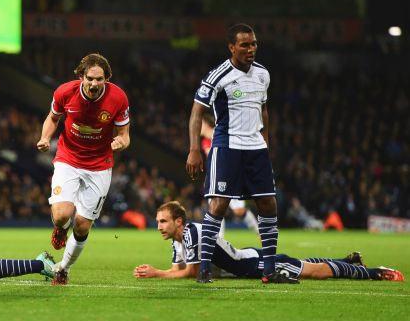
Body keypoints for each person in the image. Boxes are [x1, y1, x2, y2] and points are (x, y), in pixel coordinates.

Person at [186, 23, 286, 283]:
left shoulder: (263, 74)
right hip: (227, 147)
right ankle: (205, 269)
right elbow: (197, 111)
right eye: (244, 45)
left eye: (253, 44)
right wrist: (195, 149)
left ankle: (269, 270)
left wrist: (265, 142)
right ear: (232, 47)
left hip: (256, 149)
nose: (250, 49)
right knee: (219, 204)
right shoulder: (218, 75)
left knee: (268, 204)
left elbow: (264, 109)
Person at [133, 202, 404, 282]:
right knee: (298, 263)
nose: (159, 227)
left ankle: (375, 273)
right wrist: (160, 272)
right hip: (247, 258)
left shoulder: (192, 233)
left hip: (252, 265)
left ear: (179, 221)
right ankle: (347, 261)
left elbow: (190, 272)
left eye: (163, 222)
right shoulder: (179, 239)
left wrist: (156, 274)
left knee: (314, 272)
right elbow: (179, 270)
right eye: (158, 222)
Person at [37, 53, 130, 285]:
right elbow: (52, 118)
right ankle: (60, 228)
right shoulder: (64, 92)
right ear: (81, 76)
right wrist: (45, 137)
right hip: (68, 158)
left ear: (107, 79)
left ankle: (63, 269)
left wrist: (121, 142)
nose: (94, 84)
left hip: (99, 165)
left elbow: (125, 135)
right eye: (90, 78)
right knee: (61, 216)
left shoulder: (118, 98)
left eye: (100, 79)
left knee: (82, 225)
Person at [200, 112, 258, 237]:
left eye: (200, 123)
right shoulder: (205, 142)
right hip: (217, 177)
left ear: (206, 123)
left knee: (238, 211)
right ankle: (218, 241)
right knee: (215, 208)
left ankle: (259, 231)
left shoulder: (221, 134)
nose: (198, 126)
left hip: (231, 175)